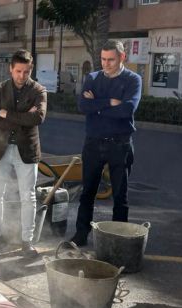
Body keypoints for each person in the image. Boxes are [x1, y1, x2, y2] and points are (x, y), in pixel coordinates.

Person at [70, 40, 142, 247]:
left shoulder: (133, 80)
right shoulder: (92, 78)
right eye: (103, 59)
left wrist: (97, 106)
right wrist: (109, 102)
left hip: (120, 144)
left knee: (120, 196)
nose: (106, 64)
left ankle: (118, 240)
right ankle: (80, 235)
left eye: (111, 59)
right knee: (87, 192)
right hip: (93, 143)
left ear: (122, 58)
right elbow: (83, 106)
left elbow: (127, 110)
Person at [0, 49, 47, 257]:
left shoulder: (39, 90)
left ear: (31, 70)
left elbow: (38, 118)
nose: (22, 76)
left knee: (28, 197)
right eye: (18, 71)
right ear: (10, 69)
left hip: (27, 150)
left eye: (26, 72)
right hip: (0, 148)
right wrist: (23, 116)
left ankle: (26, 243)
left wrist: (8, 114)